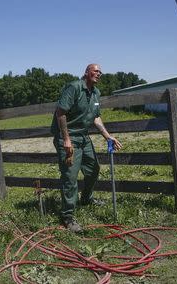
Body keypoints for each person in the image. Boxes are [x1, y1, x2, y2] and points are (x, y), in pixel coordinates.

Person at [51, 63, 122, 233]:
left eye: (101, 72)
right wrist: (66, 140)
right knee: (70, 177)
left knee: (93, 169)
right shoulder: (74, 87)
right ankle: (68, 216)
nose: (99, 73)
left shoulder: (96, 93)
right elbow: (60, 113)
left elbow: (96, 118)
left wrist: (107, 136)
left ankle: (86, 199)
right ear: (87, 72)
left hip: (83, 137)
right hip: (68, 138)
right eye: (96, 71)